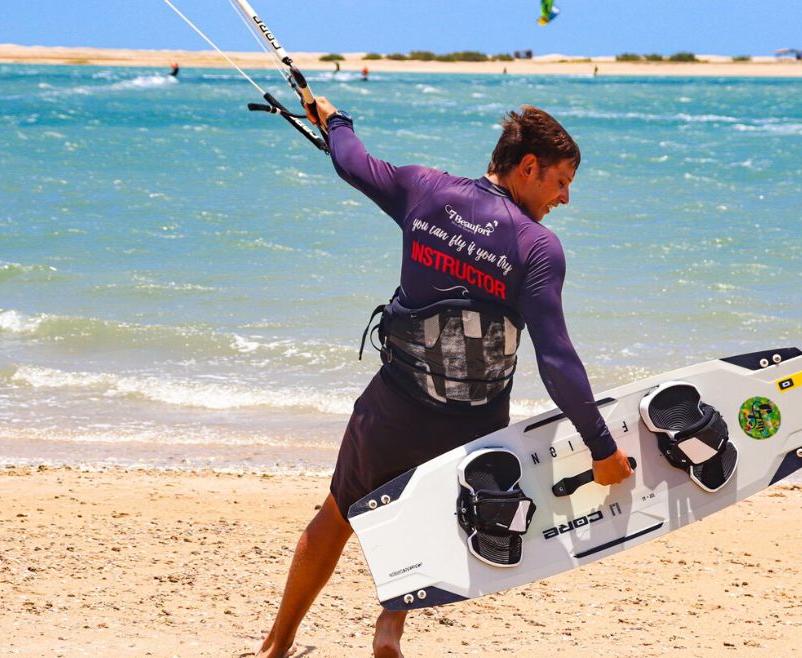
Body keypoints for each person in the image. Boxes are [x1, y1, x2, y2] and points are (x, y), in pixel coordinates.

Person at [254, 101, 634, 658]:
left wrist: (335, 121)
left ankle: (277, 644)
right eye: (561, 182)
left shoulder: (425, 190)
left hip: (395, 406)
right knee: (439, 517)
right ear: (528, 167)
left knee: (337, 515)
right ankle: (390, 624)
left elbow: (352, 163)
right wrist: (601, 447)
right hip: (474, 426)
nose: (565, 198)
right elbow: (556, 360)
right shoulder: (537, 248)